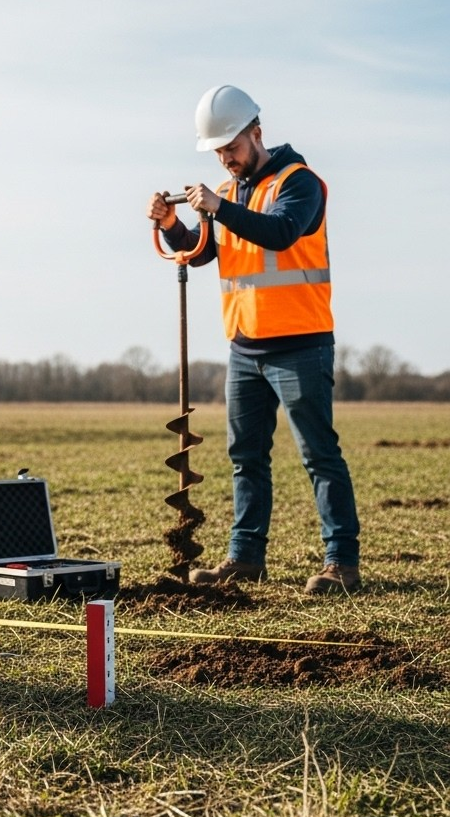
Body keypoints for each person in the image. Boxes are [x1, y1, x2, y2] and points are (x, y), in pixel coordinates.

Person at [147, 85, 361, 595]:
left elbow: (283, 232)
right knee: (245, 456)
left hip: (301, 344)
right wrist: (175, 225)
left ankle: (342, 564)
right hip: (245, 346)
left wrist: (218, 207)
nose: (227, 158)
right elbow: (203, 254)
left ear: (257, 133)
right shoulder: (232, 192)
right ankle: (245, 558)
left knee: (319, 456)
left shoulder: (300, 183)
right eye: (219, 151)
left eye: (233, 147)